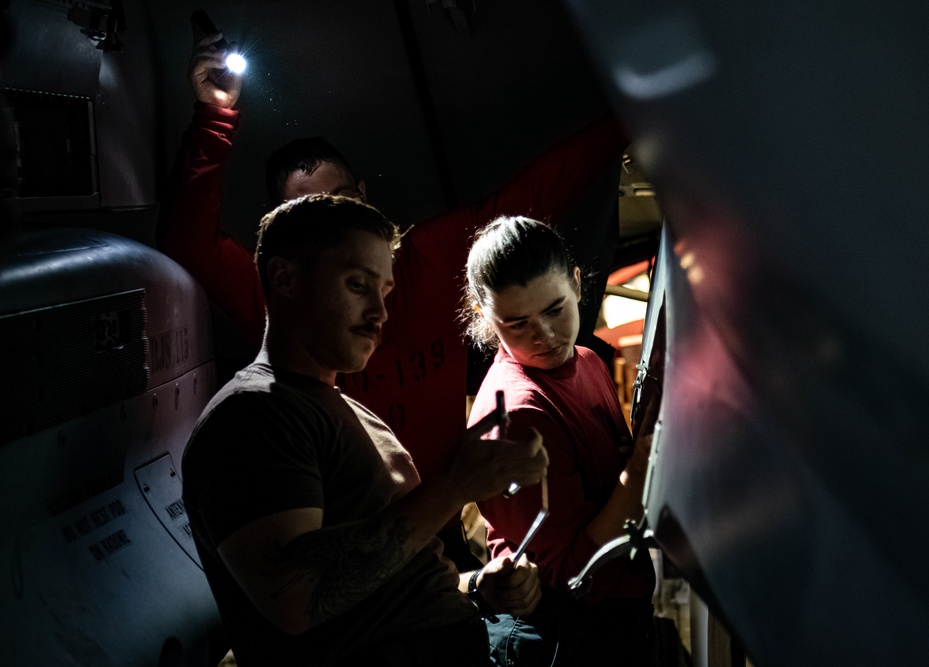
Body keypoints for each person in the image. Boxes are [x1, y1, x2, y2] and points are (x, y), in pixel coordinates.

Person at [157, 27, 628, 570]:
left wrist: (638, 116)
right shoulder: (280, 295)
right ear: (281, 240)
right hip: (346, 550)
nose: (334, 232)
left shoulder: (425, 258)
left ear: (364, 197)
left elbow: (536, 192)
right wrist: (214, 116)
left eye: (339, 204)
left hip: (441, 532)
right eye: (310, 217)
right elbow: (186, 244)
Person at [182, 195, 549, 666]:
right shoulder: (253, 415)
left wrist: (476, 584)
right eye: (358, 285)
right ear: (284, 277)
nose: (380, 313)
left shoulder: (350, 411)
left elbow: (386, 586)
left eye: (385, 291)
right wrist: (454, 486)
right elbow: (296, 597)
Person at [463, 216, 656, 665]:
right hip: (559, 638)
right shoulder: (517, 415)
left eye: (554, 310)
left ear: (575, 283)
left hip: (619, 622)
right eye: (517, 324)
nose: (545, 336)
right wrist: (642, 473)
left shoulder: (587, 359)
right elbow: (575, 579)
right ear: (484, 317)